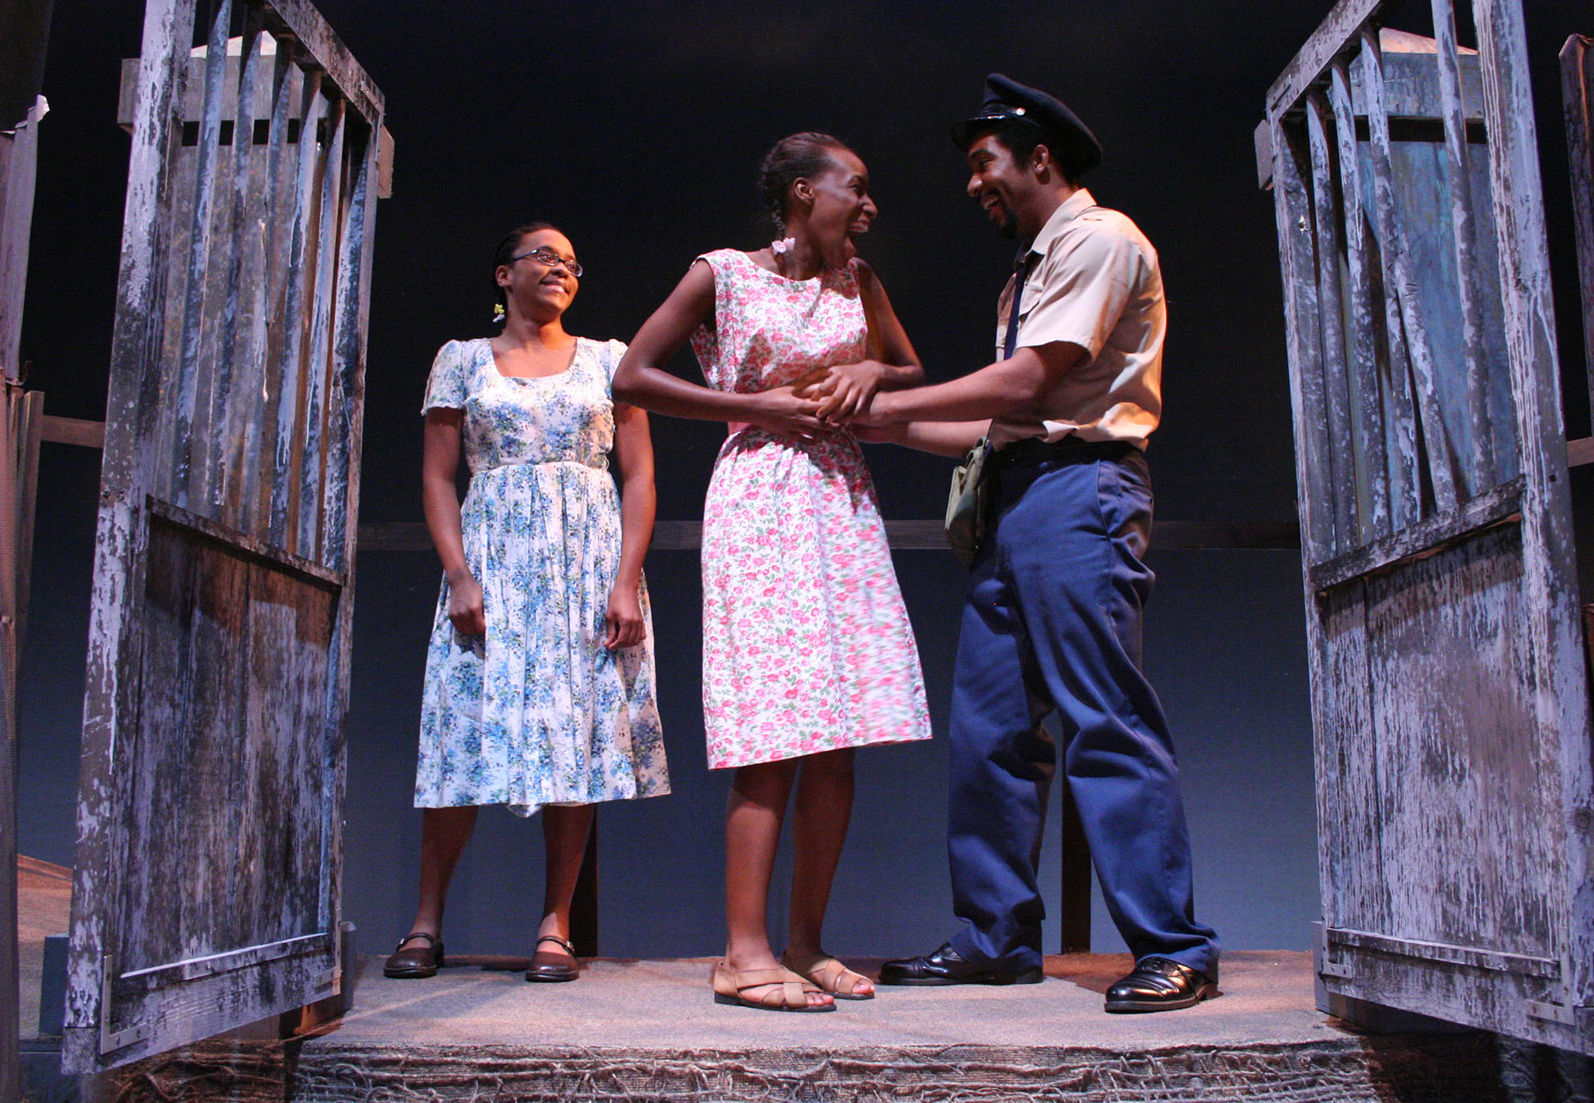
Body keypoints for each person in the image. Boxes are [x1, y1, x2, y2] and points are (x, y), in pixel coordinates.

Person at [856, 76, 1220, 1012]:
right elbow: (994, 429)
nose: (974, 184)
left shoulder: (1098, 239)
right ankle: (994, 938)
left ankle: (1174, 945)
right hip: (1018, 497)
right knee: (990, 734)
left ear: (1040, 158)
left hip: (1080, 493)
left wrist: (885, 399)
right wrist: (869, 428)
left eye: (984, 163)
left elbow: (1024, 386)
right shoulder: (1033, 267)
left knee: (1104, 717)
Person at [612, 133, 931, 1012]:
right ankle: (741, 952)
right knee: (774, 732)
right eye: (854, 189)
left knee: (838, 734)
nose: (867, 207)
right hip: (759, 496)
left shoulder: (857, 279)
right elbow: (632, 376)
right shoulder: (722, 272)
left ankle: (805, 943)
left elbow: (909, 369)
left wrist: (870, 366)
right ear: (802, 192)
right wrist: (750, 405)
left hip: (840, 499)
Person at [384, 223, 668, 985]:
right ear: (503, 273)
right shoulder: (462, 360)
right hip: (493, 568)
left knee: (573, 739)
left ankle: (555, 924)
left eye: (573, 262)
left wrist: (623, 580)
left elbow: (637, 476)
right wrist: (459, 574)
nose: (561, 268)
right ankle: (425, 922)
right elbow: (440, 476)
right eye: (545, 256)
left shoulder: (611, 362)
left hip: (586, 569)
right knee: (461, 734)